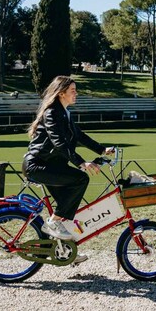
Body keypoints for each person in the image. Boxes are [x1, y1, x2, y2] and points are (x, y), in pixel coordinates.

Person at [23, 76, 114, 245]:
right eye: (73, 90)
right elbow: (59, 143)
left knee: (66, 206)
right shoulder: (52, 112)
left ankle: (64, 250)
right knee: (80, 179)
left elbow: (79, 136)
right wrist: (81, 163)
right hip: (37, 165)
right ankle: (52, 222)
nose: (76, 93)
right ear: (61, 93)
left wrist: (102, 150)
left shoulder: (64, 112)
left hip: (50, 165)